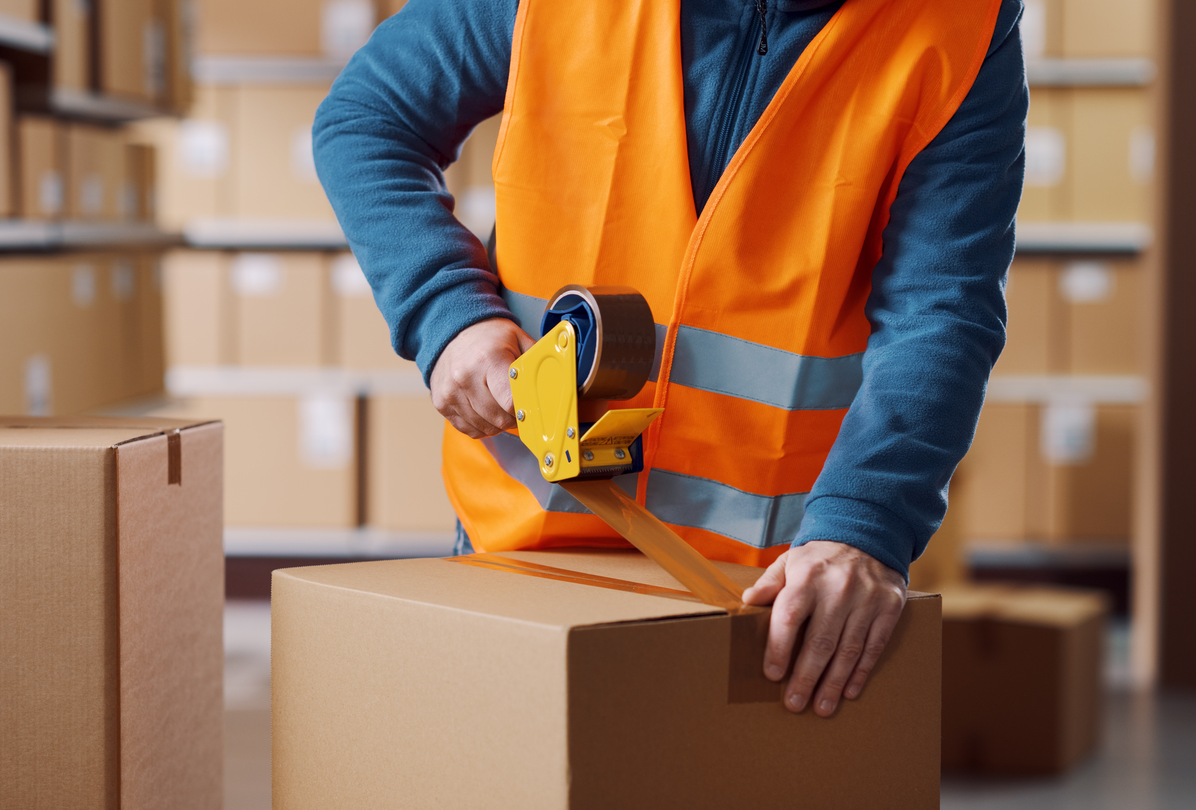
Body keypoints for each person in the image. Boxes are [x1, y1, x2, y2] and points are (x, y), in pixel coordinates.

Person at [313, 0, 1026, 718]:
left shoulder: (959, 22)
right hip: (527, 547)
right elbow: (369, 118)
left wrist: (866, 524)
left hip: (770, 591)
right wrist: (448, 314)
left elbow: (942, 308)